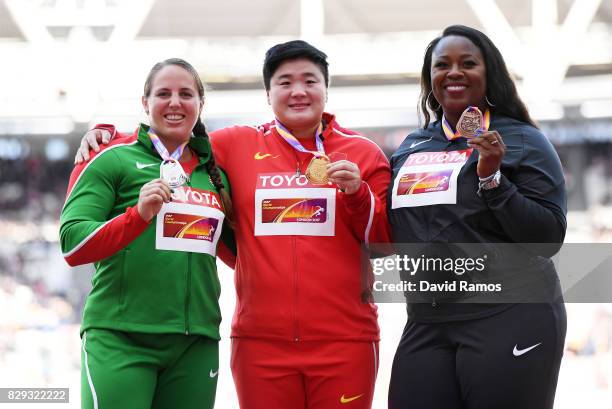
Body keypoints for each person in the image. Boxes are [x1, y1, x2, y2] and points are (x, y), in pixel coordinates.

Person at [74, 41, 391, 409]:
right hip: (260, 344)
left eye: (310, 81)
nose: (298, 91)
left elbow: (385, 243)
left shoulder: (363, 152)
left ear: (325, 88)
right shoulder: (236, 144)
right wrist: (107, 136)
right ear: (268, 93)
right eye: (285, 82)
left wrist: (357, 193)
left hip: (346, 342)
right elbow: (170, 138)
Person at [387, 25, 567, 409]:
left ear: (490, 75)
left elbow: (548, 237)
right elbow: (393, 229)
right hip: (427, 318)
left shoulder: (522, 140)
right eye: (442, 65)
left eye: (468, 63)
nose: (453, 72)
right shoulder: (410, 146)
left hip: (509, 314)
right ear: (430, 77)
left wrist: (493, 179)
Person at [60, 58, 234, 409]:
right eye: (163, 93)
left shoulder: (214, 173)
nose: (174, 102)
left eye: (186, 94)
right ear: (145, 103)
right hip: (120, 339)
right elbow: (73, 243)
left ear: (200, 104)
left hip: (195, 345)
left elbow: (242, 251)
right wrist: (137, 216)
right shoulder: (111, 159)